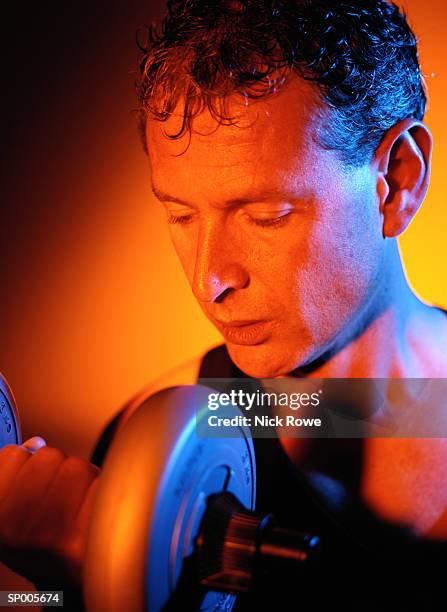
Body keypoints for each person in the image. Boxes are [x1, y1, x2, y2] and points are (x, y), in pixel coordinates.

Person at [0, 0, 446, 609]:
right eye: (180, 215)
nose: (210, 279)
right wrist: (65, 581)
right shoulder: (151, 441)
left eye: (267, 216)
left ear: (396, 180)